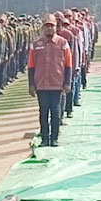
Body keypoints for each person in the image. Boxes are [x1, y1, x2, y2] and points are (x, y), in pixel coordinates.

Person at [28, 14, 72, 147]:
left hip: (57, 83)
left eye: (51, 26)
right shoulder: (36, 44)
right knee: (43, 112)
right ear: (43, 27)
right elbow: (31, 65)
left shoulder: (63, 43)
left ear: (55, 27)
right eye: (46, 26)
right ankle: (45, 138)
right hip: (41, 84)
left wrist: (67, 82)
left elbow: (68, 64)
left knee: (56, 112)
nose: (49, 29)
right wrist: (31, 84)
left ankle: (54, 138)